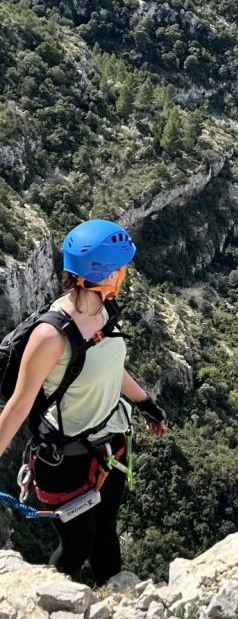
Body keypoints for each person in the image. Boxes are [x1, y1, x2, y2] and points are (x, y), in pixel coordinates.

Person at [0, 218, 168, 585]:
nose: (125, 274)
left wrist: (146, 404)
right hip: (64, 460)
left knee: (106, 533)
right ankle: (56, 605)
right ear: (106, 275)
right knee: (78, 546)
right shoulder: (51, 336)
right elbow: (18, 405)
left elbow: (110, 367)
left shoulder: (105, 310)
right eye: (121, 268)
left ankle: (119, 602)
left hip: (111, 444)